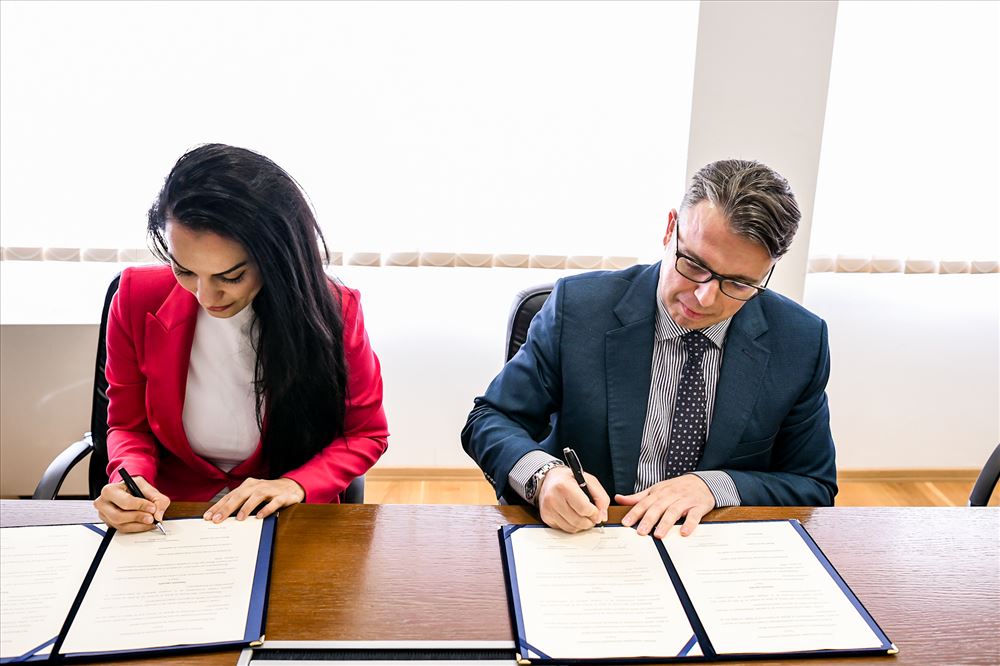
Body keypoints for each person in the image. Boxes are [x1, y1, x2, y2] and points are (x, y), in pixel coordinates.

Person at [462, 159, 836, 538]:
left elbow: (813, 484)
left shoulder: (800, 341)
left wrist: (716, 486)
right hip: (591, 535)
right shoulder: (578, 308)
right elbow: (490, 419)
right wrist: (543, 476)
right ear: (670, 229)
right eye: (694, 264)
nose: (705, 298)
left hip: (713, 545)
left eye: (738, 284)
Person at [94, 144, 389, 532]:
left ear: (277, 259)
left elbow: (366, 434)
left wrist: (296, 484)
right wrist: (129, 480)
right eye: (185, 271)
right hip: (172, 515)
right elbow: (128, 427)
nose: (205, 296)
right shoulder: (137, 296)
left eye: (230, 277)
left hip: (283, 516)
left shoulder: (334, 310)